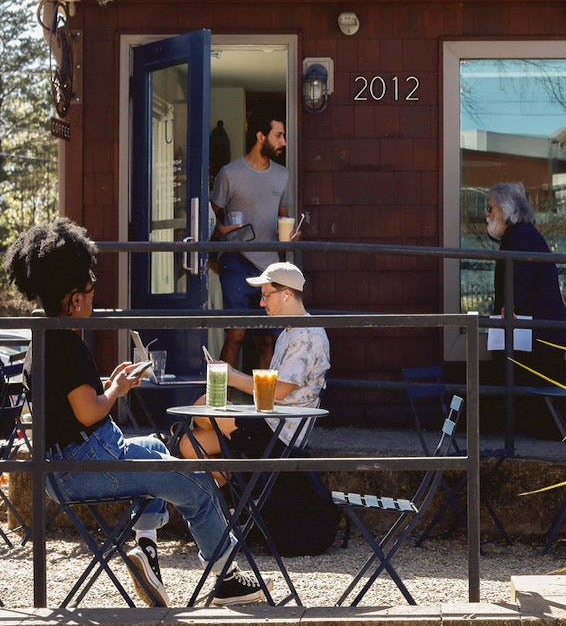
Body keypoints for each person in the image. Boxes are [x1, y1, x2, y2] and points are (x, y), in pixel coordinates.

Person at [3, 219, 270, 607]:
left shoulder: (42, 341)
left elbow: (69, 401)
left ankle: (145, 551)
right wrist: (116, 389)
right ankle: (226, 577)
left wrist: (106, 384)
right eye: (91, 293)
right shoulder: (69, 345)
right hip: (85, 463)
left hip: (63, 465)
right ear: (74, 299)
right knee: (191, 479)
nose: (94, 302)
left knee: (155, 448)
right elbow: (89, 413)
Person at [178, 261, 329, 462]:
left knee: (202, 407)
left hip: (279, 433)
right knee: (189, 445)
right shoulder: (290, 331)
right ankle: (236, 487)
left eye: (266, 296)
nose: (261, 303)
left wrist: (230, 376)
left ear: (286, 295)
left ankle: (242, 474)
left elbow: (280, 391)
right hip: (269, 421)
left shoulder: (307, 336)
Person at [210, 112, 294, 369]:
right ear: (261, 137)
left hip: (268, 265)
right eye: (278, 135)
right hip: (236, 261)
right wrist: (221, 231)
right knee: (235, 334)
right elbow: (211, 218)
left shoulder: (282, 176)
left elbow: (284, 219)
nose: (284, 142)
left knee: (267, 340)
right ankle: (222, 402)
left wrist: (291, 235)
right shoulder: (229, 173)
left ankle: (264, 403)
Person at [486, 183, 566, 386]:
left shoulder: (521, 237)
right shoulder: (523, 234)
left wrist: (511, 305)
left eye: (491, 208)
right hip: (541, 338)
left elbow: (522, 273)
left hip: (538, 341)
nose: (488, 214)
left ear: (506, 210)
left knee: (528, 399)